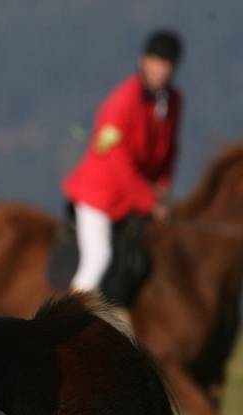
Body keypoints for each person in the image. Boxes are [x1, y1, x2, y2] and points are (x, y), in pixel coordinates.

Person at [63, 29, 183, 297]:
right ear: (144, 62)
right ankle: (69, 317)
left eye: (168, 64)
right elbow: (115, 161)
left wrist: (162, 188)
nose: (162, 69)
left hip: (135, 198)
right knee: (99, 257)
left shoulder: (174, 101)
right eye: (157, 61)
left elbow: (170, 149)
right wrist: (150, 202)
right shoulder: (121, 102)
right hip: (100, 196)